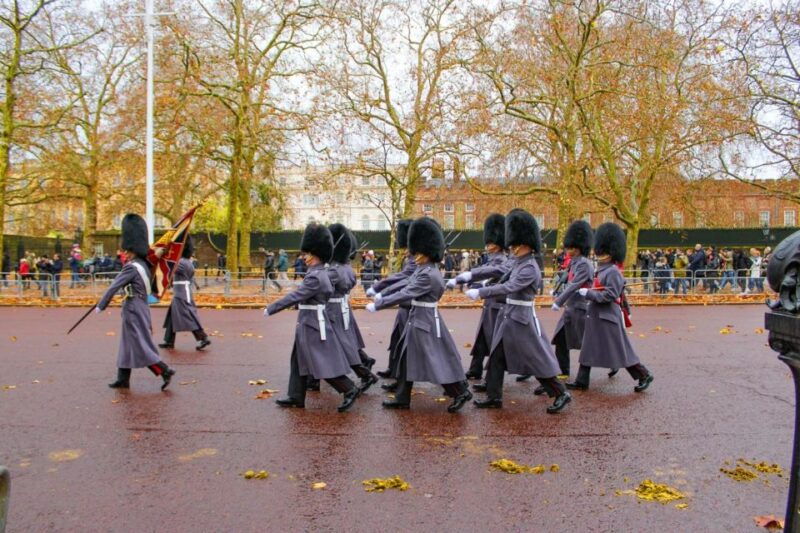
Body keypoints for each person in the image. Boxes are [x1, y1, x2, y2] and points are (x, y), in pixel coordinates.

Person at [466, 209, 572, 414]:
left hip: (522, 320)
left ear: (524, 244)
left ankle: (560, 393)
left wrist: (481, 292)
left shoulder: (530, 267)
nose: (511, 247)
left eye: (514, 244)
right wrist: (476, 278)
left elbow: (508, 287)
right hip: (509, 316)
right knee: (496, 356)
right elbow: (501, 275)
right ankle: (493, 396)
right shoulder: (518, 263)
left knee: (534, 358)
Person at [367, 217, 472, 413]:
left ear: (428, 253)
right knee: (407, 358)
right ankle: (402, 398)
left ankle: (459, 392)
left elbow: (407, 293)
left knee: (433, 360)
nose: (414, 255)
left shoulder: (428, 274)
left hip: (424, 321)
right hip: (418, 318)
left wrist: (380, 303)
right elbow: (405, 285)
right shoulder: (424, 269)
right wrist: (382, 291)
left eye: (419, 252)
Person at [266, 223, 361, 412]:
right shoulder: (320, 273)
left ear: (317, 254)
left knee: (320, 360)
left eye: (308, 254)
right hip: (310, 320)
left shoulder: (316, 276)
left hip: (312, 323)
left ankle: (349, 389)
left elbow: (296, 296)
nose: (305, 258)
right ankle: (296, 396)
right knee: (298, 359)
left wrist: (271, 308)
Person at [567, 222, 654, 393]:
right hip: (596, 315)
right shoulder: (602, 269)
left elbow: (610, 295)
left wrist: (589, 294)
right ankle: (581, 381)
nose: (601, 253)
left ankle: (644, 374)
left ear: (611, 252)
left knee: (620, 350)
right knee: (588, 348)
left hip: (607, 316)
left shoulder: (613, 271)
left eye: (604, 250)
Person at [97, 214, 175, 390]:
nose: (124, 252)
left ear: (131, 249)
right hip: (138, 306)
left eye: (126, 250)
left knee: (139, 343)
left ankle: (164, 370)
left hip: (133, 308)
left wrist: (101, 305)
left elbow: (114, 286)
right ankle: (123, 378)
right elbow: (151, 260)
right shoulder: (144, 265)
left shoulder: (131, 267)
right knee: (127, 343)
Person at [447, 213, 508, 381]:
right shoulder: (492, 258)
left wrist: (466, 276)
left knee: (496, 343)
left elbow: (488, 272)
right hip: (489, 304)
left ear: (498, 244)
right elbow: (486, 273)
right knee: (481, 339)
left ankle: (492, 379)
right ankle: (476, 369)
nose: (488, 246)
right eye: (488, 243)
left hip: (498, 305)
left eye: (491, 243)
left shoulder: (502, 260)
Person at [323, 223, 378, 392]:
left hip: (332, 310)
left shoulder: (333, 270)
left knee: (339, 344)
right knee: (345, 342)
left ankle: (364, 374)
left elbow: (321, 289)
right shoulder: (346, 268)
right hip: (343, 307)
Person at [544, 220, 594, 393]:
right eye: (568, 247)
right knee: (561, 340)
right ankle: (563, 371)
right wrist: (556, 289)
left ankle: (585, 378)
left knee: (586, 344)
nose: (569, 250)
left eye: (572, 248)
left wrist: (558, 301)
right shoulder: (573, 262)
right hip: (570, 309)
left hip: (580, 309)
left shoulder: (585, 265)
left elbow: (574, 285)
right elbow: (566, 279)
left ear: (580, 247)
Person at [365, 220, 414, 385]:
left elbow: (403, 279)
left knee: (407, 345)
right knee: (396, 340)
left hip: (412, 307)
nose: (404, 250)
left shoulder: (416, 261)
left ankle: (401, 377)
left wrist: (381, 291)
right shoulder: (411, 258)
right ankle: (393, 370)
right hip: (404, 306)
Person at [159, 237, 211, 351]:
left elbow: (169, 266)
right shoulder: (186, 261)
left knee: (188, 315)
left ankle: (203, 338)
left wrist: (163, 253)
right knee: (172, 316)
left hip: (181, 292)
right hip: (180, 290)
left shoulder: (181, 262)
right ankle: (168, 340)